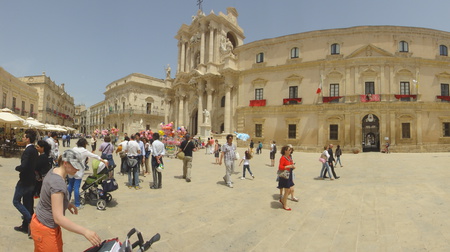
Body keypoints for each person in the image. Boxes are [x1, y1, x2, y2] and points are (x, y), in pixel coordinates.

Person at [30, 149, 102, 251]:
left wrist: (66, 203)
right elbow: (58, 218)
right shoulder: (57, 183)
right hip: (46, 229)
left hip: (39, 221)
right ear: (65, 163)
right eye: (74, 166)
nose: (77, 170)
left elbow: (49, 196)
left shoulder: (53, 171)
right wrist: (85, 232)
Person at [69, 138, 108, 209]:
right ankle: (77, 204)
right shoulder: (84, 151)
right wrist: (104, 161)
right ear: (84, 144)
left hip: (71, 170)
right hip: (79, 171)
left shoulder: (73, 149)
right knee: (76, 188)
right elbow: (95, 156)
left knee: (70, 186)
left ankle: (67, 201)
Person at [13, 129, 38, 235]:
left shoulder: (28, 151)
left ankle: (31, 221)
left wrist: (17, 168)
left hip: (25, 181)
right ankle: (25, 226)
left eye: (24, 137)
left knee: (16, 201)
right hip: (31, 180)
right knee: (27, 204)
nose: (22, 138)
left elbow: (24, 166)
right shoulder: (34, 150)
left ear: (28, 139)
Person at [278, 145, 296, 211]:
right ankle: (285, 205)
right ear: (285, 151)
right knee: (287, 190)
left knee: (291, 190)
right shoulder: (283, 158)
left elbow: (291, 164)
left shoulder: (289, 157)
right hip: (285, 175)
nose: (290, 151)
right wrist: (289, 166)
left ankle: (283, 200)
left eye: (290, 150)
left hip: (290, 174)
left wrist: (293, 166)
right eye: (289, 150)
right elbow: (280, 167)